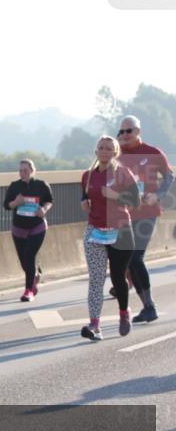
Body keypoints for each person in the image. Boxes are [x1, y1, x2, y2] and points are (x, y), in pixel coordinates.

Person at [79, 136, 141, 341]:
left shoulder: (123, 173)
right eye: (101, 148)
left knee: (117, 277)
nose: (104, 151)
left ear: (115, 152)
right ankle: (95, 326)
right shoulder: (88, 175)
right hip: (95, 231)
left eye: (108, 148)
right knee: (96, 280)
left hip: (120, 231)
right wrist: (84, 204)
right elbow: (85, 197)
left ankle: (124, 313)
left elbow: (135, 200)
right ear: (96, 151)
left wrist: (115, 196)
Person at [117, 115, 174, 323]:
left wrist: (158, 195)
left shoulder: (152, 152)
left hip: (147, 213)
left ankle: (150, 306)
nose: (125, 135)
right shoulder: (117, 154)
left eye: (129, 131)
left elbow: (170, 176)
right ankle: (147, 306)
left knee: (135, 257)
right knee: (128, 260)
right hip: (123, 214)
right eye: (121, 131)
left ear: (138, 131)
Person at [3, 159, 54, 301]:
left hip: (37, 227)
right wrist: (16, 202)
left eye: (25, 170)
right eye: (20, 171)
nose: (22, 173)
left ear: (32, 171)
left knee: (29, 256)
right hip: (18, 228)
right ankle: (34, 276)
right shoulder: (14, 186)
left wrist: (44, 209)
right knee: (23, 260)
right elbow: (6, 205)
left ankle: (28, 291)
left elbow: (49, 200)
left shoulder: (41, 185)